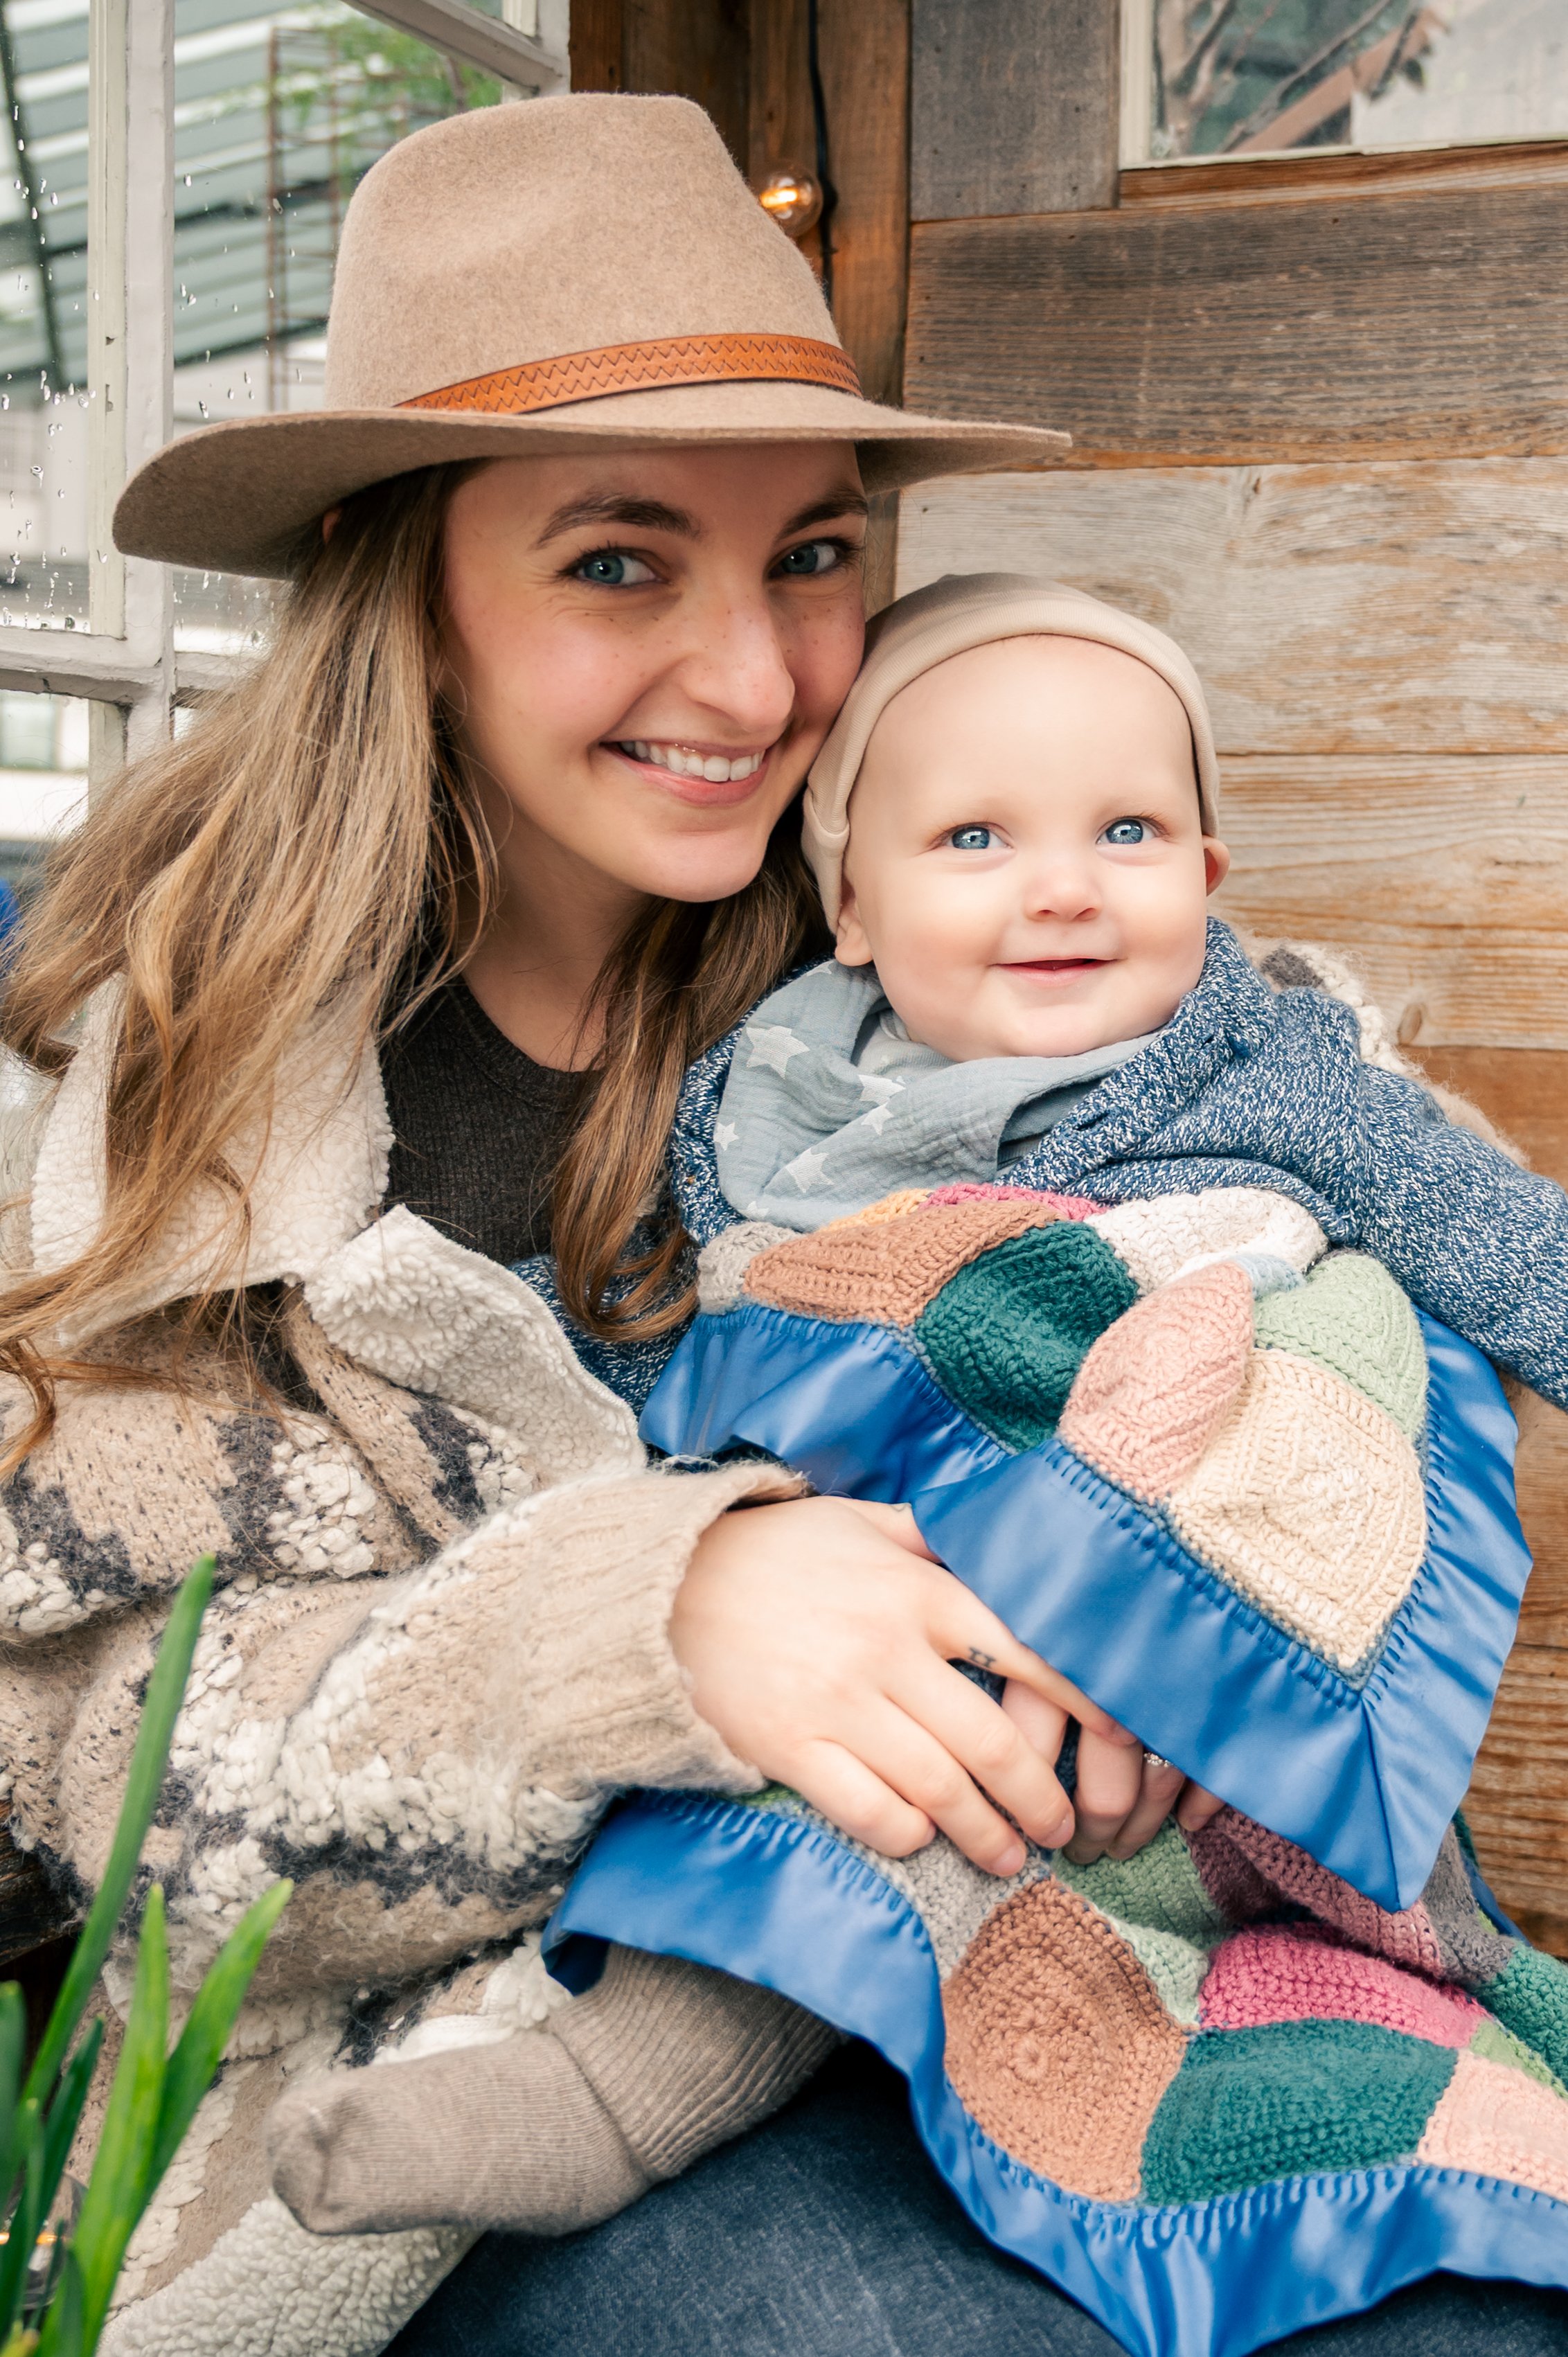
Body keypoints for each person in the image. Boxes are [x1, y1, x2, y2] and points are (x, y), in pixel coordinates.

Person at [0, 85, 1551, 2357]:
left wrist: (1190, 1612)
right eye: (622, 561)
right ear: (413, 592)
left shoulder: (951, 951)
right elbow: (81, 1769)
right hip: (493, 2047)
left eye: (814, 554)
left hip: (1119, 1930)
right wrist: (657, 1619)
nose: (754, 681)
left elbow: (1352, 1286)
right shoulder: (159, 1107)